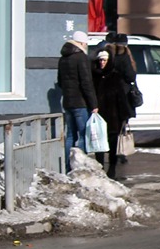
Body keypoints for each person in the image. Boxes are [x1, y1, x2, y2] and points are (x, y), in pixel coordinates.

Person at [91, 38, 136, 179]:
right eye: (100, 61)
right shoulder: (95, 76)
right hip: (99, 115)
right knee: (99, 144)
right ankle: (100, 168)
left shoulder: (115, 76)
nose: (102, 63)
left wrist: (125, 115)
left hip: (113, 116)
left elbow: (121, 97)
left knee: (112, 143)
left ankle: (112, 169)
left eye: (104, 60)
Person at [57, 30, 98, 171]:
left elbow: (60, 82)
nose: (86, 46)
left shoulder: (63, 58)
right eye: (86, 43)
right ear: (81, 43)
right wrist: (93, 104)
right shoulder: (81, 58)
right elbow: (87, 83)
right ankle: (80, 168)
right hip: (80, 103)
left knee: (70, 136)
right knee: (83, 135)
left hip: (67, 102)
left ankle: (67, 166)